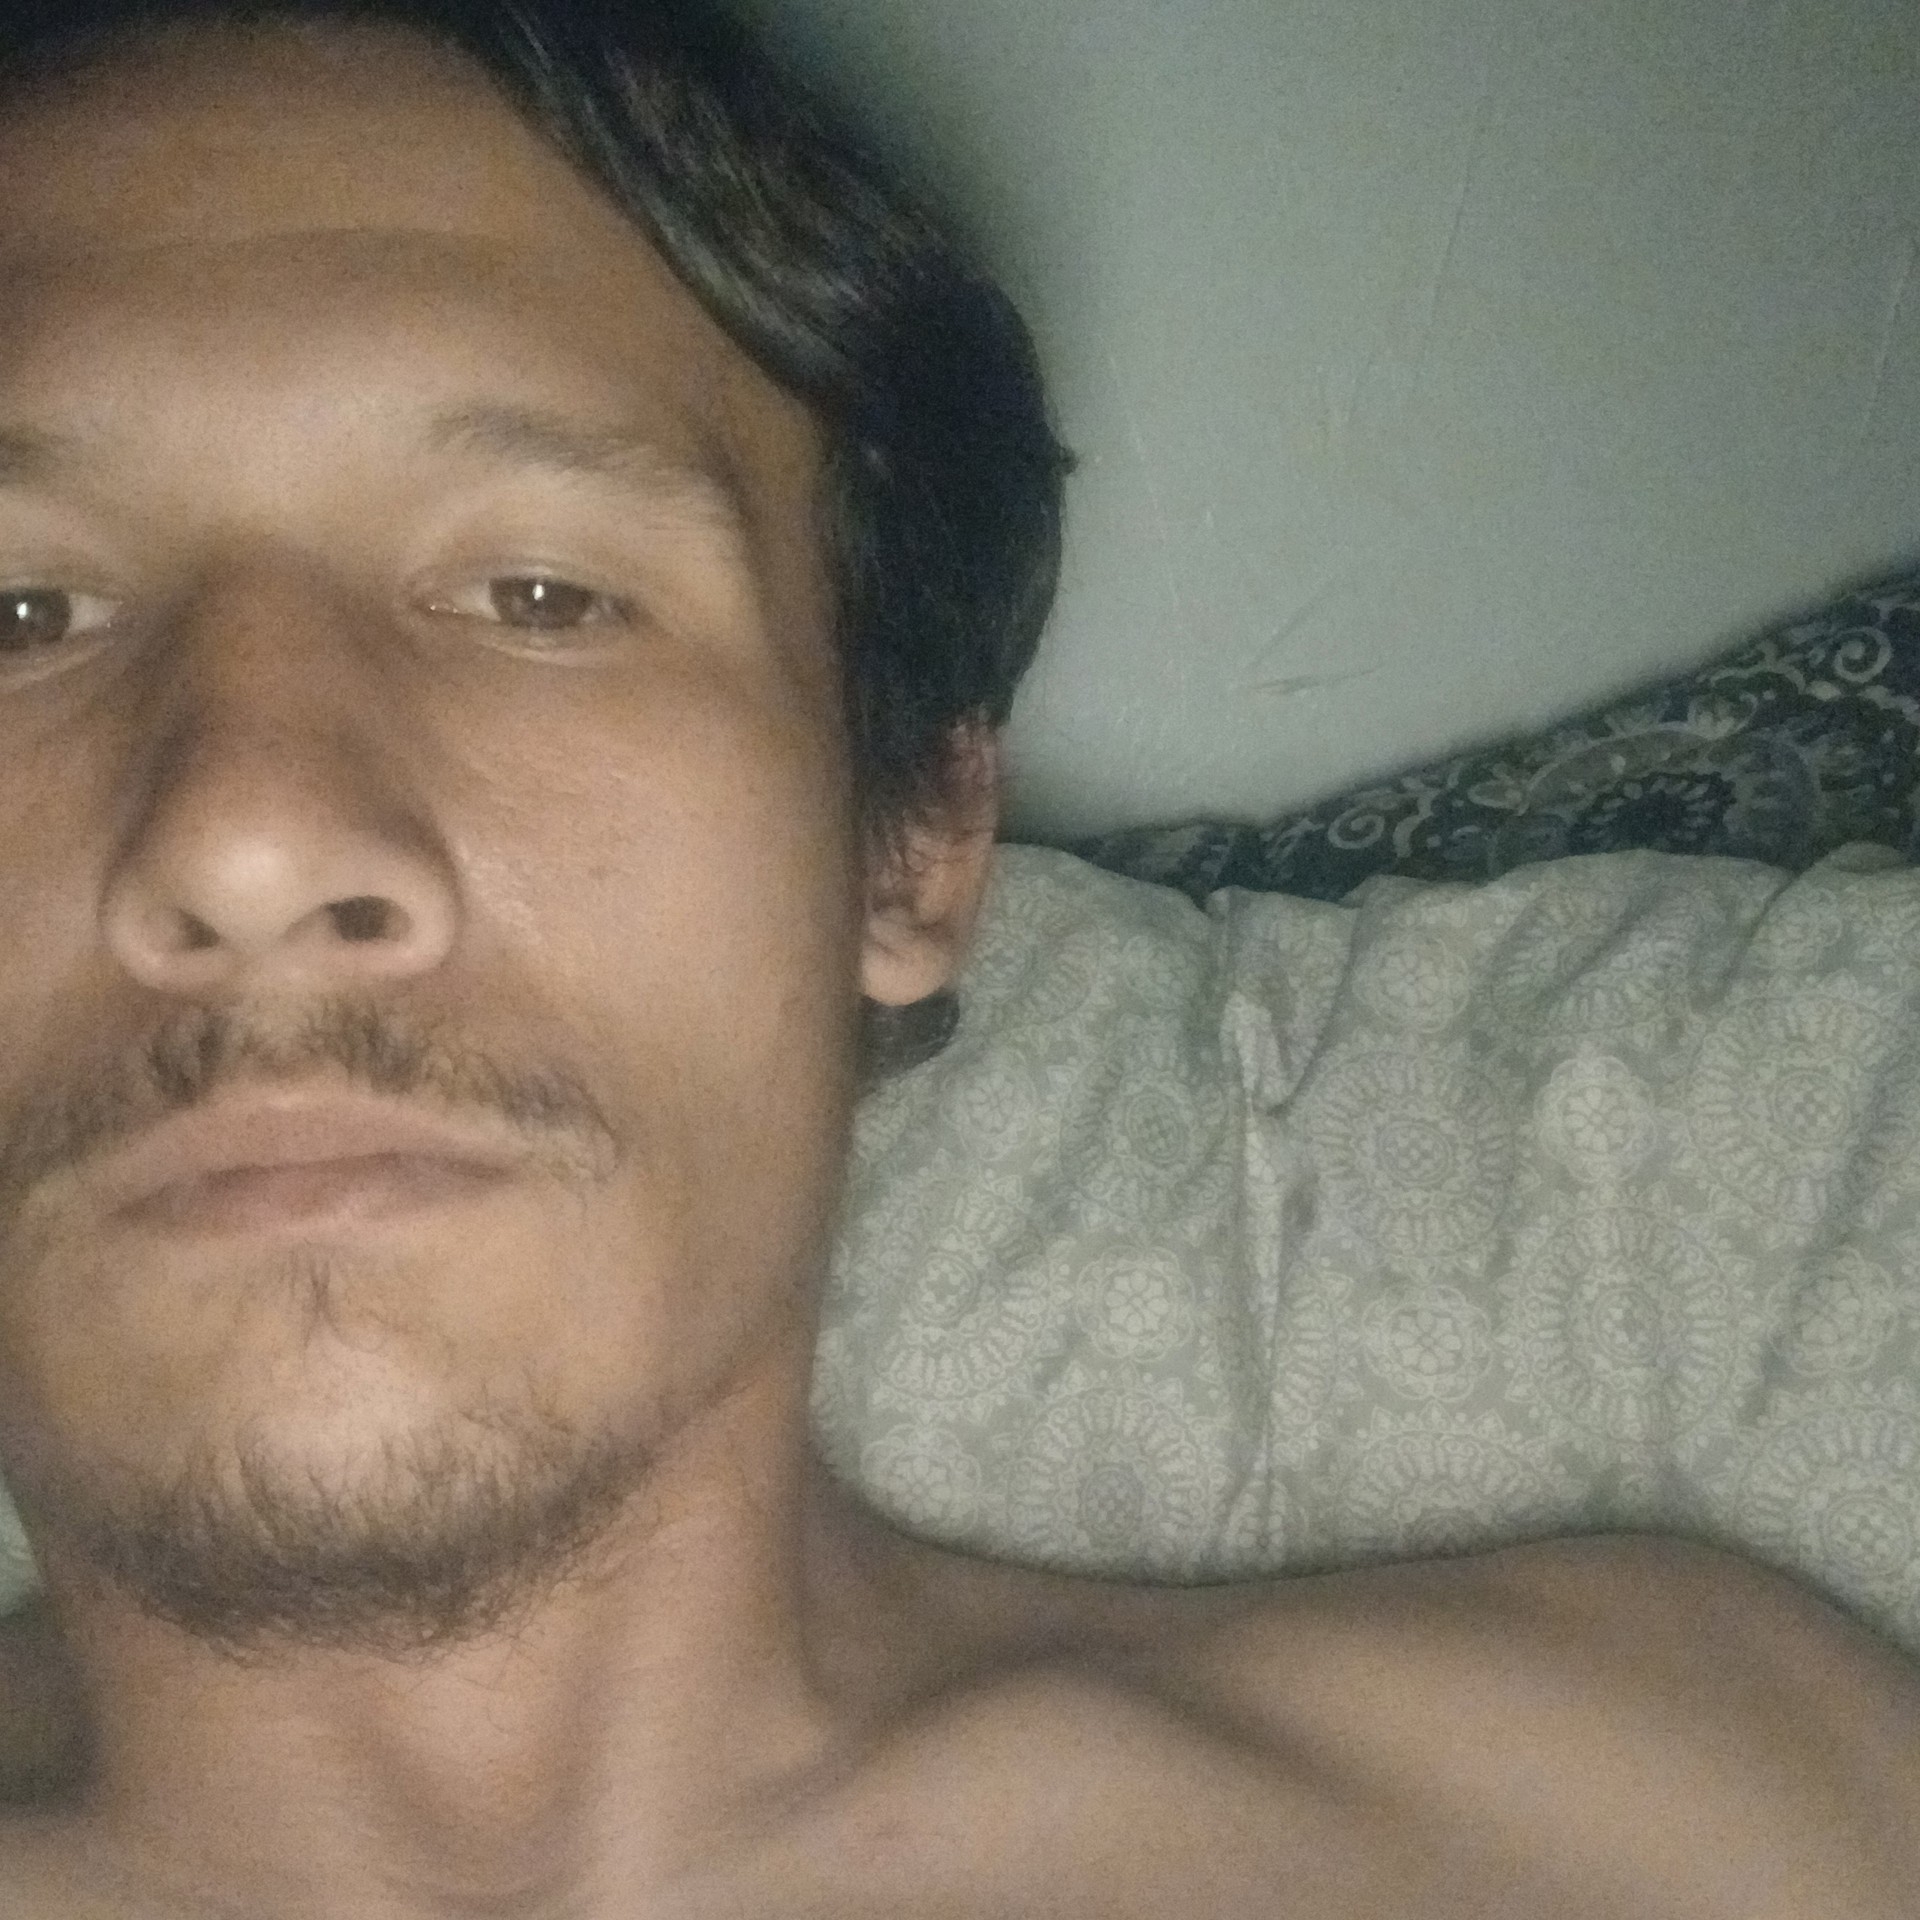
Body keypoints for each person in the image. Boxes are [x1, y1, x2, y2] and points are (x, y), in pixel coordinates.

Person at [0, 1, 1913, 1912]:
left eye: (542, 594)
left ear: (909, 847)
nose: (246, 838)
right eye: (20, 615)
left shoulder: (1686, 1808)